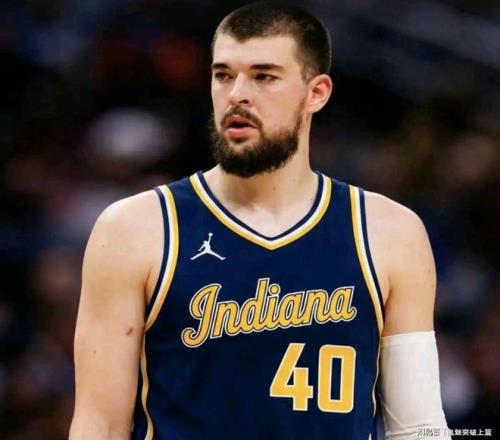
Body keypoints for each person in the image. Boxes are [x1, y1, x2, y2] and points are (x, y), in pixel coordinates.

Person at [69, 2, 451, 439]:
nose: (237, 94)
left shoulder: (390, 232)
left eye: (263, 76)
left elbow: (418, 426)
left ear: (316, 93)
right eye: (223, 75)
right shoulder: (134, 228)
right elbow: (99, 425)